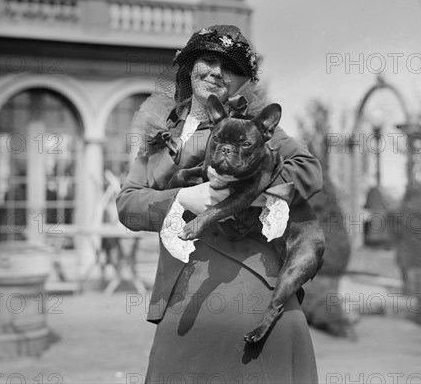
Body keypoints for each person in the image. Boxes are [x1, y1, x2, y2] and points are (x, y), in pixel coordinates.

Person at [116, 25, 322, 384]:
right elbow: (128, 203)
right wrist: (181, 198)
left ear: (241, 80)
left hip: (256, 284)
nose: (215, 72)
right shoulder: (159, 134)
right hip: (184, 292)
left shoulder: (245, 126)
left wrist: (244, 194)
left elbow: (308, 170)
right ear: (190, 66)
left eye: (228, 67)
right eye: (208, 60)